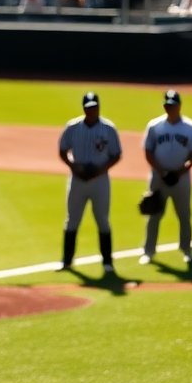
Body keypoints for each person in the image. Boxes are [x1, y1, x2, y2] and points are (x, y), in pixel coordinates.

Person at [57, 92, 122, 273]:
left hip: (100, 181)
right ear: (84, 108)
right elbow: (63, 149)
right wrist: (73, 166)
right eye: (88, 108)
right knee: (72, 220)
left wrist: (100, 170)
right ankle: (67, 261)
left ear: (99, 107)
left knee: (102, 220)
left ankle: (107, 262)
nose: (92, 110)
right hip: (77, 180)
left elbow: (116, 154)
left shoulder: (108, 129)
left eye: (94, 107)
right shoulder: (73, 127)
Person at [140, 90, 192, 265]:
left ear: (179, 105)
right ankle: (149, 251)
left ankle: (187, 250)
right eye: (167, 105)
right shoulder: (155, 126)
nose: (170, 108)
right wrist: (162, 172)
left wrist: (180, 171)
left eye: (173, 105)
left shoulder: (191, 127)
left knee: (184, 215)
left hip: (181, 179)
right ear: (164, 106)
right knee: (154, 214)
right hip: (158, 178)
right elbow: (148, 151)